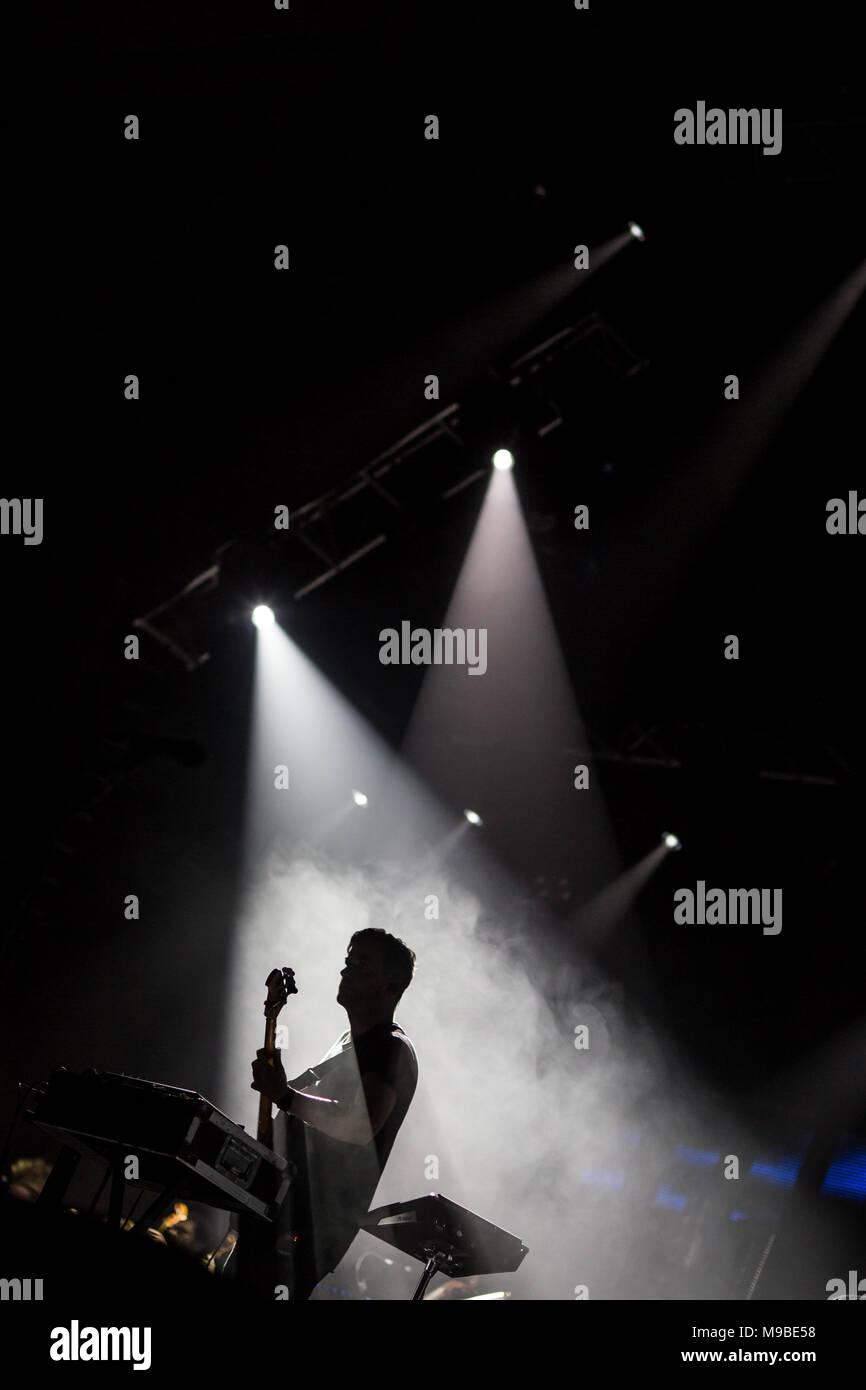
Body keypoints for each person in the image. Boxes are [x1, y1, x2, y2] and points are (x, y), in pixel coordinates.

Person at [251, 927, 418, 1300]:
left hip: (307, 1227)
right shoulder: (345, 1045)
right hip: (278, 1209)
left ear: (391, 987)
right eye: (347, 961)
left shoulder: (390, 1048)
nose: (346, 970)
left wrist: (285, 1095)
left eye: (362, 965)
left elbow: (360, 1125)